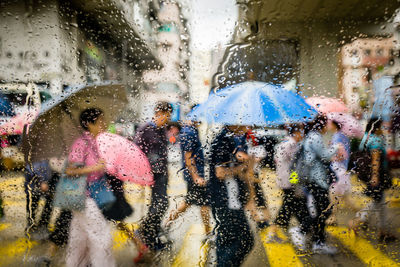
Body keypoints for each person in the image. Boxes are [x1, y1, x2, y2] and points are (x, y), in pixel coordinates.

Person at [65, 108, 116, 267]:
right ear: (89, 124)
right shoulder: (81, 143)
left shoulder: (97, 142)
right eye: (100, 121)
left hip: (92, 196)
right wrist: (94, 168)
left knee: (79, 241)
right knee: (102, 237)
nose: (104, 123)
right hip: (83, 197)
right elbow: (70, 171)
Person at [209, 125, 254, 267]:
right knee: (245, 240)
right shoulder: (222, 140)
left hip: (230, 200)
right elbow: (220, 173)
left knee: (225, 241)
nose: (247, 126)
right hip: (226, 201)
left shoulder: (232, 139)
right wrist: (243, 167)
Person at [133, 101, 173, 258]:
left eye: (168, 116)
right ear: (157, 113)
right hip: (150, 174)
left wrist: (167, 170)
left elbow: (163, 152)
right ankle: (143, 233)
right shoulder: (145, 129)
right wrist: (140, 173)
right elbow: (136, 150)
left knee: (160, 205)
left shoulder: (162, 130)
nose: (166, 119)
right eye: (165, 115)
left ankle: (150, 237)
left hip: (161, 172)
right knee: (159, 205)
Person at [164, 119, 213, 240]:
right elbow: (188, 156)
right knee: (203, 204)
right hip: (195, 176)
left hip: (195, 175)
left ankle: (166, 224)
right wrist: (196, 177)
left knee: (190, 203)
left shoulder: (190, 130)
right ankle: (208, 233)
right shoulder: (189, 132)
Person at [349, 118, 396, 242]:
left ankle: (383, 231)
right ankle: (357, 221)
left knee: (379, 202)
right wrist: (375, 176)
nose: (383, 130)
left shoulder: (366, 138)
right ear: (377, 128)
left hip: (365, 174)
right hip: (376, 175)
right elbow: (375, 159)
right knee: (376, 201)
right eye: (382, 127)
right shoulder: (376, 140)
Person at [270, 124, 312, 250]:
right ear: (297, 133)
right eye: (302, 132)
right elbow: (295, 166)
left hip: (283, 180)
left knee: (292, 206)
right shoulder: (292, 145)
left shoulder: (283, 142)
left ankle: (304, 228)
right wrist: (296, 184)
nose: (303, 135)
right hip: (289, 182)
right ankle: (275, 233)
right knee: (288, 207)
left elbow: (276, 161)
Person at [302, 115, 340, 254]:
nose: (327, 127)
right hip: (317, 179)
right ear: (321, 125)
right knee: (324, 210)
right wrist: (336, 147)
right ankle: (315, 239)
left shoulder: (311, 136)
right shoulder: (315, 136)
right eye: (326, 124)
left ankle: (315, 238)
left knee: (321, 210)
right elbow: (325, 155)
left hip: (314, 178)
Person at [326, 120, 356, 225]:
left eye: (330, 124)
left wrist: (330, 155)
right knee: (343, 195)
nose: (328, 126)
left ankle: (334, 217)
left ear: (334, 125)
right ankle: (359, 214)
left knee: (334, 194)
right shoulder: (344, 136)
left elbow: (341, 155)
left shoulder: (337, 136)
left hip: (337, 169)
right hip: (343, 168)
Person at [24, 160, 54, 240]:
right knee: (32, 207)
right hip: (34, 185)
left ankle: (41, 226)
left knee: (48, 205)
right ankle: (31, 228)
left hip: (45, 182)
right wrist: (41, 180)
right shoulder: (34, 152)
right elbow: (30, 167)